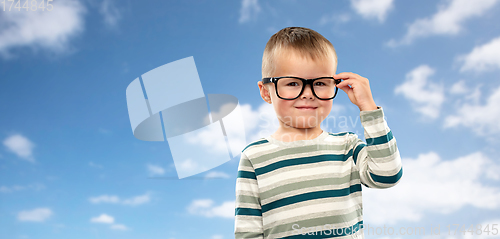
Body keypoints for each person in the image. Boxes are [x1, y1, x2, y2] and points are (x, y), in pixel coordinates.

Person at [234, 26, 403, 239]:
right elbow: (247, 231)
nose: (307, 94)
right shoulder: (254, 156)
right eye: (293, 83)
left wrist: (368, 108)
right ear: (266, 92)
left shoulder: (347, 146)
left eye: (320, 83)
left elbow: (387, 176)